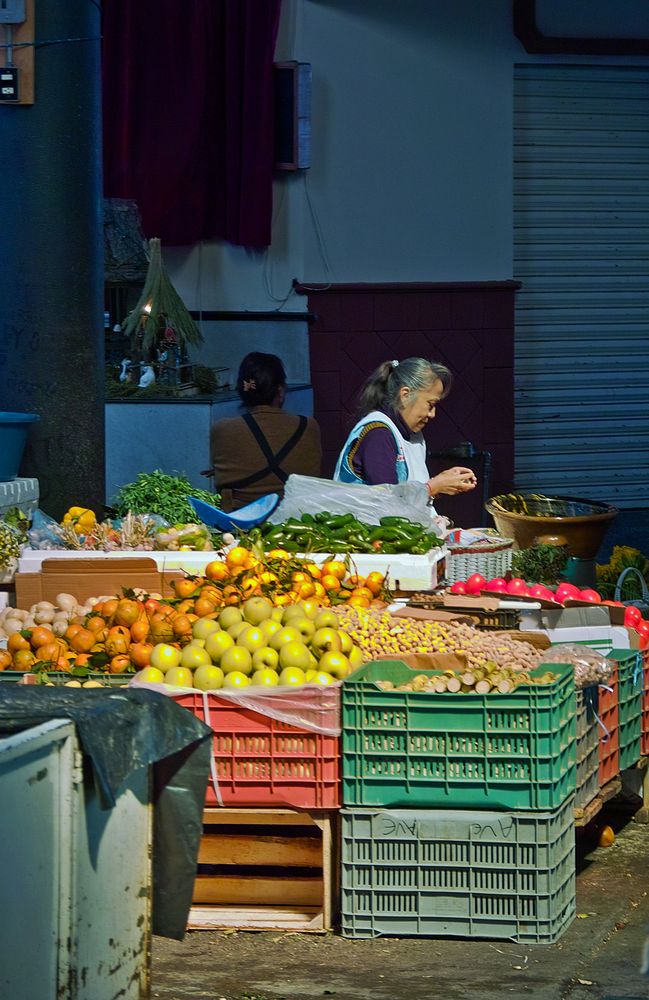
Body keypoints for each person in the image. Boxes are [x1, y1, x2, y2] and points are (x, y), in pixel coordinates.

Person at [334, 357, 477, 502]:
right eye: (430, 404)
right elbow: (388, 502)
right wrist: (434, 486)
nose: (432, 414)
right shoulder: (378, 433)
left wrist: (443, 483)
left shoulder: (411, 435)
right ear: (405, 395)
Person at [210, 352, 322, 511]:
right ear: (280, 391)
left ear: (243, 392)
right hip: (296, 522)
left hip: (240, 523)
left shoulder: (222, 429)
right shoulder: (309, 426)